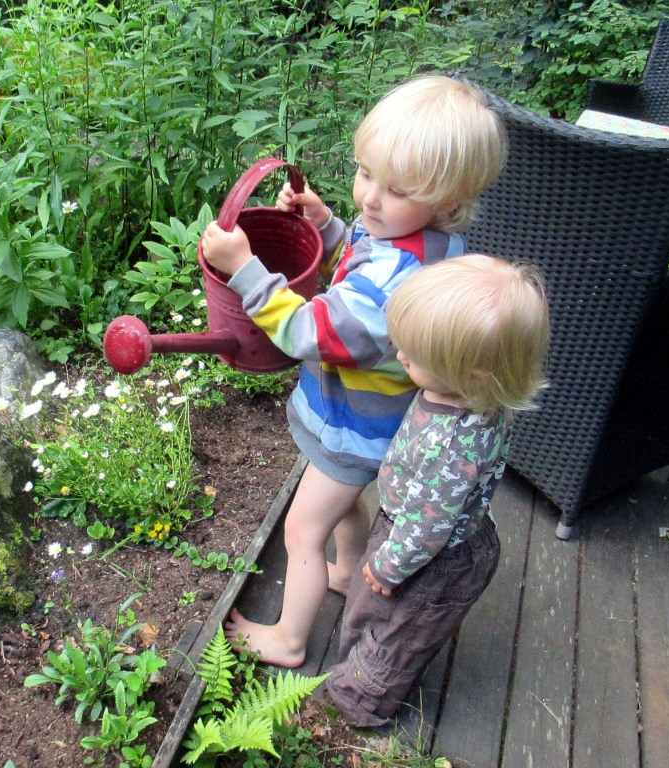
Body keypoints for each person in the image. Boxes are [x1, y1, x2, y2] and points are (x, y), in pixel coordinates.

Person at [199, 75, 505, 668]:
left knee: (300, 531)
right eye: (367, 173)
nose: (370, 197)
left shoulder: (394, 280)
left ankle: (289, 640)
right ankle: (347, 572)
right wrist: (326, 223)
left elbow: (311, 332)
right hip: (380, 421)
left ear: (447, 195)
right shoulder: (424, 238)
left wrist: (247, 272)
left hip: (355, 425)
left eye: (394, 189)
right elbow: (365, 251)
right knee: (341, 504)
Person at [324, 253, 550, 727]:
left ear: (472, 372)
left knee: (398, 636)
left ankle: (359, 707)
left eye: (415, 355)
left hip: (431, 557)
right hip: (413, 529)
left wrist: (390, 564)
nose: (402, 357)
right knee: (377, 615)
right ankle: (354, 670)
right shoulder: (463, 392)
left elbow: (430, 524)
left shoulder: (455, 445)